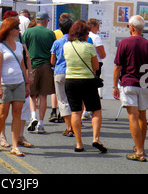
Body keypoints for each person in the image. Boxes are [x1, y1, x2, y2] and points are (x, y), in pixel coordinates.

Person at [63, 20, 107, 153]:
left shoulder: (66, 45)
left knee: (76, 111)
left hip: (71, 80)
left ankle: (78, 143)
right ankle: (96, 138)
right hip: (87, 81)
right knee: (95, 110)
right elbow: (95, 66)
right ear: (84, 33)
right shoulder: (89, 47)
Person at [113, 15, 148, 162]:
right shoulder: (147, 43)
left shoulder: (125, 43)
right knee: (142, 116)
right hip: (144, 83)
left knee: (132, 117)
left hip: (129, 83)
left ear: (132, 27)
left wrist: (114, 85)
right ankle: (140, 146)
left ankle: (139, 151)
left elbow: (118, 66)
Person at [0, 17, 29, 157]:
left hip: (19, 81)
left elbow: (23, 66)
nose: (19, 31)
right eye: (16, 28)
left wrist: (27, 84)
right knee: (3, 114)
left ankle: (14, 146)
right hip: (5, 83)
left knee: (17, 114)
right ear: (9, 30)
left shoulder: (19, 45)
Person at [23, 11, 55, 133]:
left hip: (32, 66)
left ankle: (33, 117)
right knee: (43, 95)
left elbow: (23, 49)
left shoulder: (28, 32)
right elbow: (54, 52)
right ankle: (41, 124)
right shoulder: (50, 33)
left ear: (37, 20)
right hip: (47, 66)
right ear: (46, 21)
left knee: (32, 95)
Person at [51, 15, 74, 137]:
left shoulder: (57, 42)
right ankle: (75, 125)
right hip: (73, 72)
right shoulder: (74, 41)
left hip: (59, 72)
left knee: (62, 100)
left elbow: (52, 60)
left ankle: (69, 127)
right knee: (73, 100)